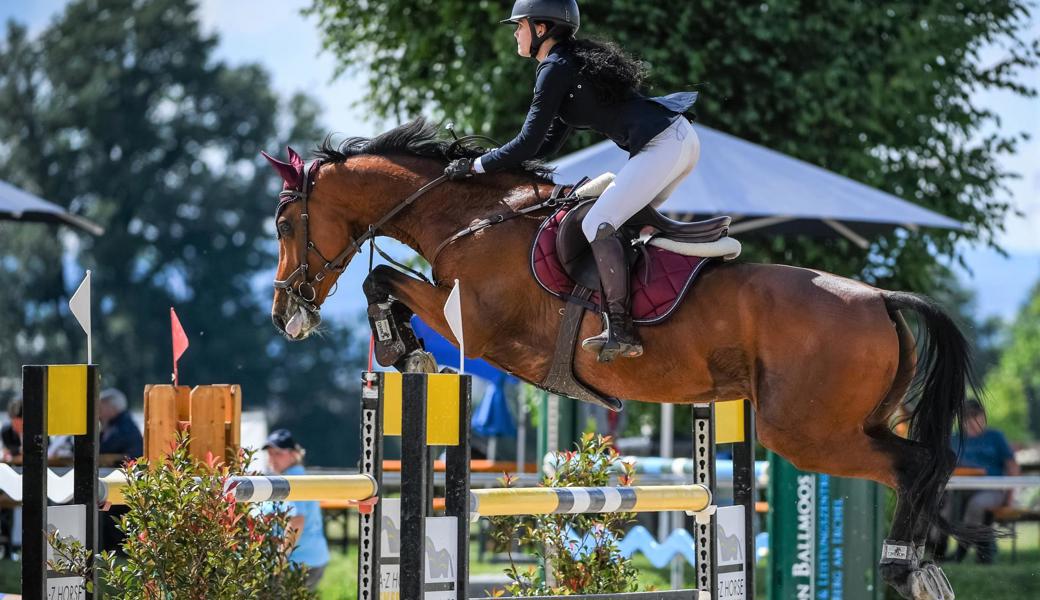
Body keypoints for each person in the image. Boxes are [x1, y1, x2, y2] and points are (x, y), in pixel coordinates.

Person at [443, 0, 701, 363]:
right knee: (621, 226)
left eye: (520, 25)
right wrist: (494, 167)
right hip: (676, 141)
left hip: (664, 144)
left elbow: (529, 142)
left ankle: (622, 328)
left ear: (541, 29)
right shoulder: (567, 64)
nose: (515, 33)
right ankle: (650, 310)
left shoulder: (554, 69)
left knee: (599, 222)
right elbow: (548, 143)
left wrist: (476, 167)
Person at [943, 400, 1020, 563]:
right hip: (960, 489)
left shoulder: (995, 437)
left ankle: (962, 552)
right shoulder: (955, 439)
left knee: (976, 505)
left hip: (992, 489)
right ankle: (984, 548)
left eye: (974, 418)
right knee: (946, 505)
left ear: (983, 417)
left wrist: (1010, 496)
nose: (970, 423)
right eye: (966, 419)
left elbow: (1012, 467)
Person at [263, 429, 329, 591]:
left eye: (278, 453)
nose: (272, 458)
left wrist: (280, 560)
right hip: (309, 560)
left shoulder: (292, 480)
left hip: (298, 563)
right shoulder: (293, 476)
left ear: (293, 455)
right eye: (270, 453)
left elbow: (297, 520)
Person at [97, 388, 143, 554]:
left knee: (109, 512)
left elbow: (105, 449)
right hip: (114, 481)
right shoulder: (117, 424)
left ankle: (115, 549)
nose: (98, 412)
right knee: (104, 510)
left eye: (101, 408)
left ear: (112, 408)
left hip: (121, 485)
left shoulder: (123, 427)